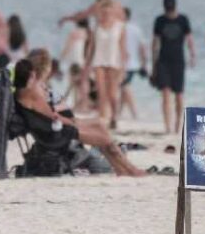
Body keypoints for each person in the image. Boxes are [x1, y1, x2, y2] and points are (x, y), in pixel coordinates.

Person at [13, 58, 145, 177]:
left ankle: (121, 169)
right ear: (31, 75)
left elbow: (48, 116)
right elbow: (54, 117)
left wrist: (71, 120)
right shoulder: (32, 95)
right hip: (57, 135)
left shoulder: (21, 94)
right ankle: (130, 169)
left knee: (99, 125)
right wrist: (72, 122)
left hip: (52, 132)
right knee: (106, 139)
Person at [152, 0, 195, 135]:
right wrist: (154, 64)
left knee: (179, 95)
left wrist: (193, 55)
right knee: (165, 94)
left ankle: (177, 125)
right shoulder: (159, 20)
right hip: (163, 61)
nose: (169, 12)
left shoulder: (183, 20)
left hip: (178, 61)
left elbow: (189, 39)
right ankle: (168, 127)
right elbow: (155, 43)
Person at [88, 0, 127, 129]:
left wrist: (123, 67)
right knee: (101, 92)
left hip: (114, 62)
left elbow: (123, 49)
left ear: (113, 10)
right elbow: (91, 48)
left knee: (112, 94)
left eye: (108, 9)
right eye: (103, 10)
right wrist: (86, 66)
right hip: (99, 61)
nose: (105, 13)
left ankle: (114, 116)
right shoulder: (95, 26)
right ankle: (102, 119)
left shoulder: (120, 26)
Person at [119, 7, 147, 120]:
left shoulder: (120, 28)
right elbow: (143, 47)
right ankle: (118, 113)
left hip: (125, 64)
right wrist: (144, 63)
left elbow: (142, 47)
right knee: (123, 89)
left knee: (124, 87)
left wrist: (144, 63)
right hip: (133, 64)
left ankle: (134, 113)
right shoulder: (136, 29)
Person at [59, 18, 91, 110]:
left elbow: (68, 47)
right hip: (82, 60)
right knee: (82, 83)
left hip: (73, 60)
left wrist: (61, 58)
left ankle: (76, 103)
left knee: (72, 82)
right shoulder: (87, 33)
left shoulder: (74, 32)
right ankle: (82, 104)